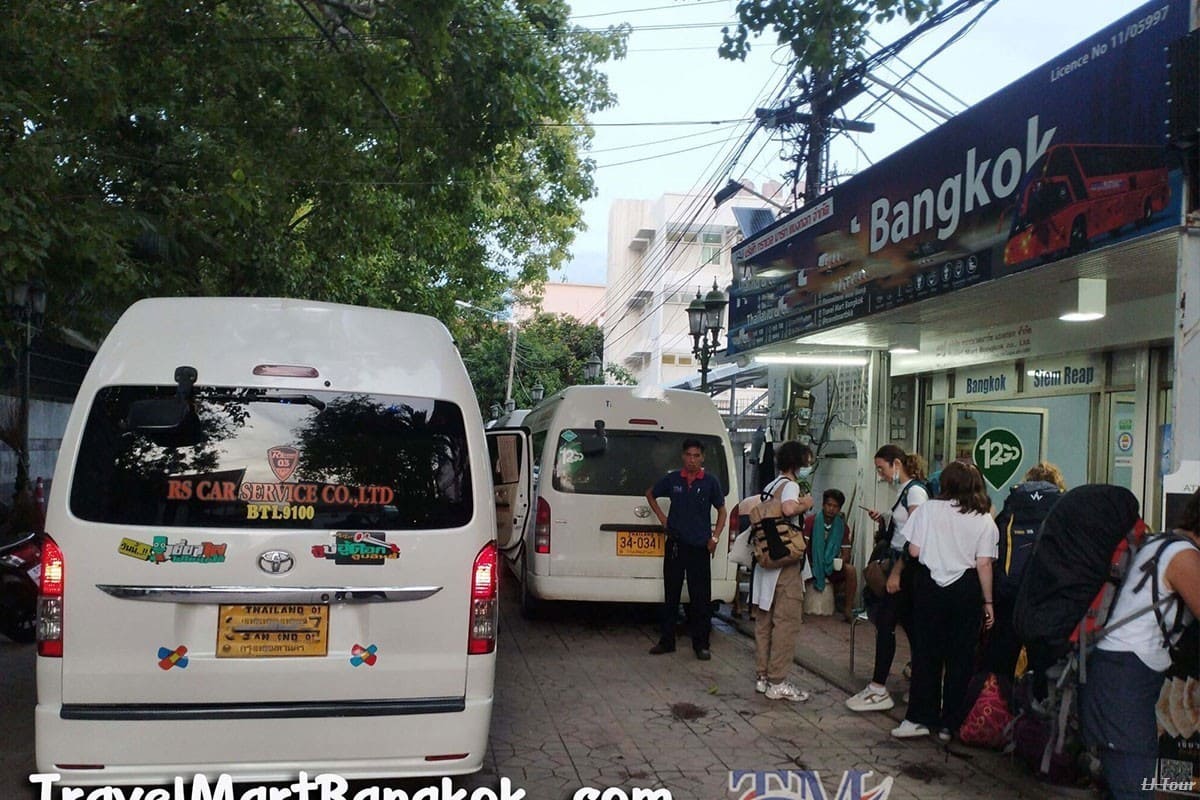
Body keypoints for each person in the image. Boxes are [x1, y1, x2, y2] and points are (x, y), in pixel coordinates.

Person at [1080, 488, 1200, 799]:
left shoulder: (1162, 541)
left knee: (1137, 782)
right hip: (1124, 680)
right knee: (1135, 789)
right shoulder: (1183, 557)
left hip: (1123, 676)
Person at [892, 461, 998, 741]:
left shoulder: (928, 510)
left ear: (946, 483)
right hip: (966, 588)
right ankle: (951, 723)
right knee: (961, 657)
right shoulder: (984, 518)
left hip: (929, 586)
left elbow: (913, 551)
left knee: (926, 653)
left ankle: (919, 718)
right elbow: (984, 563)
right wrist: (988, 602)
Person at [846, 445, 929, 713]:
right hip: (902, 566)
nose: (881, 475)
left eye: (882, 468)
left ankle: (879, 687)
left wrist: (897, 571)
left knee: (888, 623)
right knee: (909, 627)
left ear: (896, 463)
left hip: (905, 568)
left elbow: (917, 532)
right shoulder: (906, 491)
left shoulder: (915, 491)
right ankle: (919, 683)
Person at [645, 438, 727, 661]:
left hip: (700, 547)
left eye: (696, 456)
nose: (692, 460)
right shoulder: (673, 479)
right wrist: (663, 519)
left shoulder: (710, 482)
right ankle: (667, 641)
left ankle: (701, 645)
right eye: (688, 455)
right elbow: (650, 493)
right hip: (675, 545)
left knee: (700, 598)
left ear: (702, 458)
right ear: (683, 456)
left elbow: (722, 511)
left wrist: (715, 537)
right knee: (671, 595)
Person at [983, 461, 1066, 679]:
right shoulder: (1062, 509)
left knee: (1003, 655)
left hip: (1009, 592)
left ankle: (999, 704)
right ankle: (1037, 704)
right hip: (1045, 596)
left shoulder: (1012, 508)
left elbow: (996, 546)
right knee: (1043, 659)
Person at [746, 441, 814, 700]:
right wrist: (805, 504)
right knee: (786, 623)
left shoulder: (769, 487)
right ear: (797, 463)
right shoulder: (791, 486)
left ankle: (763, 677)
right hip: (785, 564)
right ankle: (778, 681)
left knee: (764, 622)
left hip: (765, 564)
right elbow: (788, 509)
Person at [803, 488, 850, 617]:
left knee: (850, 570)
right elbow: (803, 547)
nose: (831, 509)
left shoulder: (843, 527)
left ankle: (848, 609)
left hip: (830, 566)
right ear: (823, 505)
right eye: (829, 505)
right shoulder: (810, 522)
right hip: (811, 564)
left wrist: (837, 562)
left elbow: (846, 553)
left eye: (835, 506)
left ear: (839, 509)